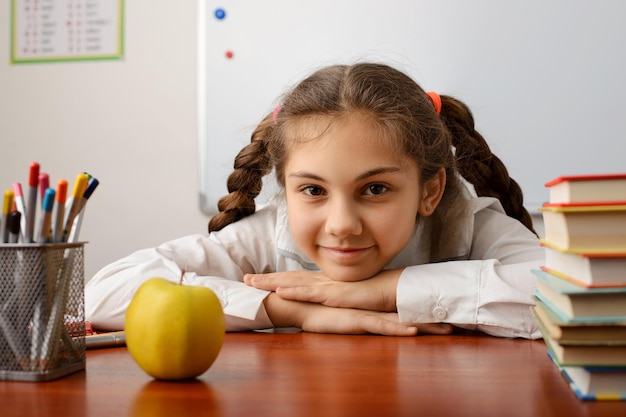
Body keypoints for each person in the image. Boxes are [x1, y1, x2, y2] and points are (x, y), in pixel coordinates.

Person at [85, 62, 543, 338]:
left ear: (430, 191)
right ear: (285, 190)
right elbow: (102, 294)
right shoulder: (268, 237)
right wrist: (292, 312)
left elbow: (586, 302)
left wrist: (382, 292)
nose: (341, 224)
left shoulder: (468, 224)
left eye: (375, 189)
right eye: (313, 190)